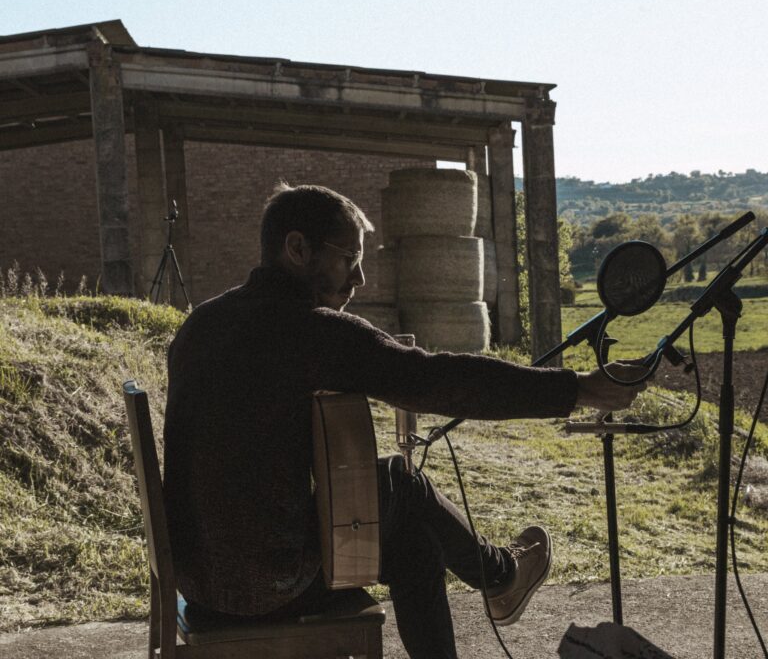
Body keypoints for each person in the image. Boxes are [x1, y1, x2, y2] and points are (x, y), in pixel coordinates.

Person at [164, 183, 643, 659]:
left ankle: (499, 576)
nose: (360, 280)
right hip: (271, 583)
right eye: (349, 258)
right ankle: (500, 576)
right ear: (297, 248)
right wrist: (579, 388)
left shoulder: (202, 323)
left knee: (414, 542)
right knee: (400, 480)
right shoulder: (309, 329)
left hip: (201, 580)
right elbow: (436, 380)